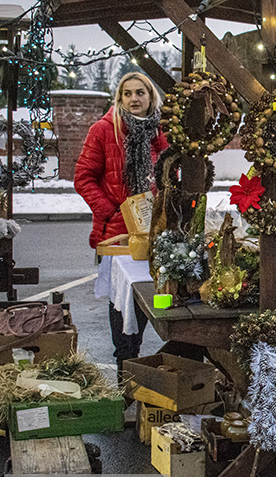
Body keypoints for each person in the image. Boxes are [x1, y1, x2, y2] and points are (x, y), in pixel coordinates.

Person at [74, 72, 168, 376]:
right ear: (119, 98)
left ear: (151, 97)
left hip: (154, 232)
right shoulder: (103, 130)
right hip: (117, 235)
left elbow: (170, 176)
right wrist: (112, 211)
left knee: (155, 300)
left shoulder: (159, 132)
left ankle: (150, 369)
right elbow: (83, 178)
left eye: (140, 92)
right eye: (127, 93)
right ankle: (125, 374)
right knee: (123, 306)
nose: (134, 99)